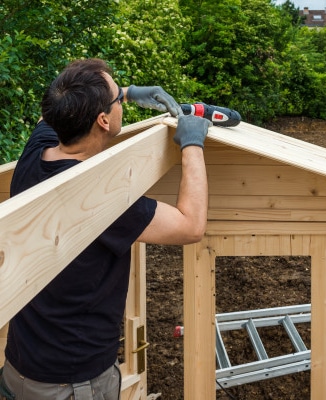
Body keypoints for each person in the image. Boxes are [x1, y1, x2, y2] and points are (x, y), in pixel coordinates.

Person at [0, 58, 211, 400]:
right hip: (73, 385)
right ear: (102, 120)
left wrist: (125, 94)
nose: (122, 103)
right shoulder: (101, 198)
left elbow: (53, 109)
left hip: (19, 369)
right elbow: (191, 225)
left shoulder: (34, 155)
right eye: (117, 100)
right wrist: (192, 145)